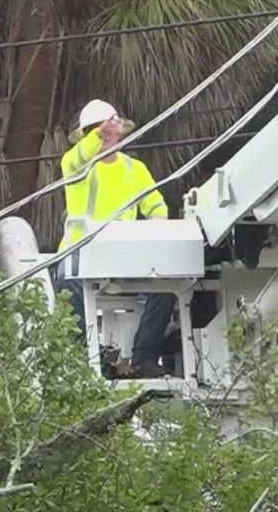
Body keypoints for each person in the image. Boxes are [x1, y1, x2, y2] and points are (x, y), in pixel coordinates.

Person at [60, 98, 178, 378]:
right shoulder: (78, 166)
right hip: (82, 252)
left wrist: (157, 228)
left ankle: (144, 357)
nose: (108, 137)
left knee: (170, 283)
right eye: (100, 133)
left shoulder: (134, 169)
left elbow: (156, 206)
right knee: (68, 284)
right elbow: (75, 158)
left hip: (126, 254)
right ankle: (86, 361)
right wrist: (99, 134)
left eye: (112, 132)